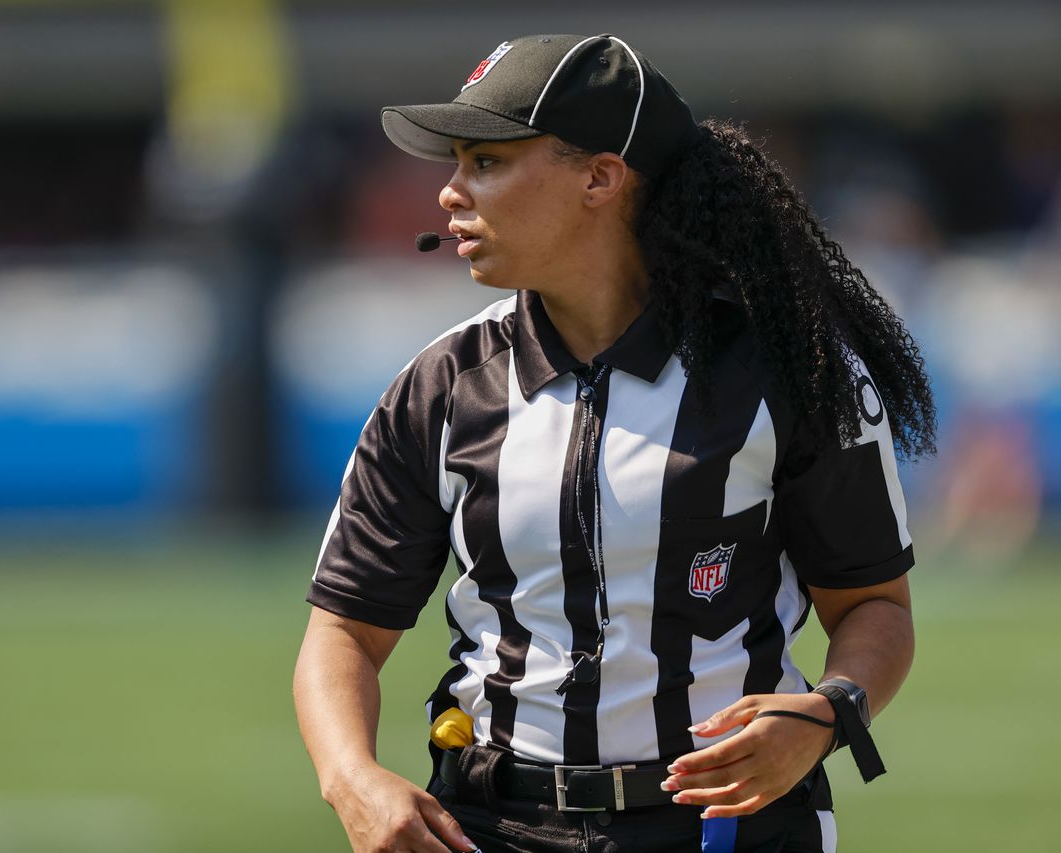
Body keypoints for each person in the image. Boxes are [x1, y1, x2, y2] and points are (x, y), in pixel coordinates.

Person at [294, 33, 935, 853]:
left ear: (600, 176)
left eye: (485, 161)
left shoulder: (790, 374)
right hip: (490, 823)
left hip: (734, 827)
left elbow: (875, 604)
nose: (450, 192)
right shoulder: (442, 386)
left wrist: (824, 714)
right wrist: (352, 778)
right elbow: (343, 628)